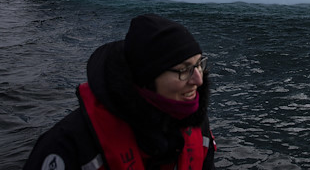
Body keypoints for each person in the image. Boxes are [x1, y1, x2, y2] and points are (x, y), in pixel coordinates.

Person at [24, 14, 216, 170]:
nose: (198, 80)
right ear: (147, 77)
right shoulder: (68, 146)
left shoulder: (196, 122)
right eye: (183, 69)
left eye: (199, 64)